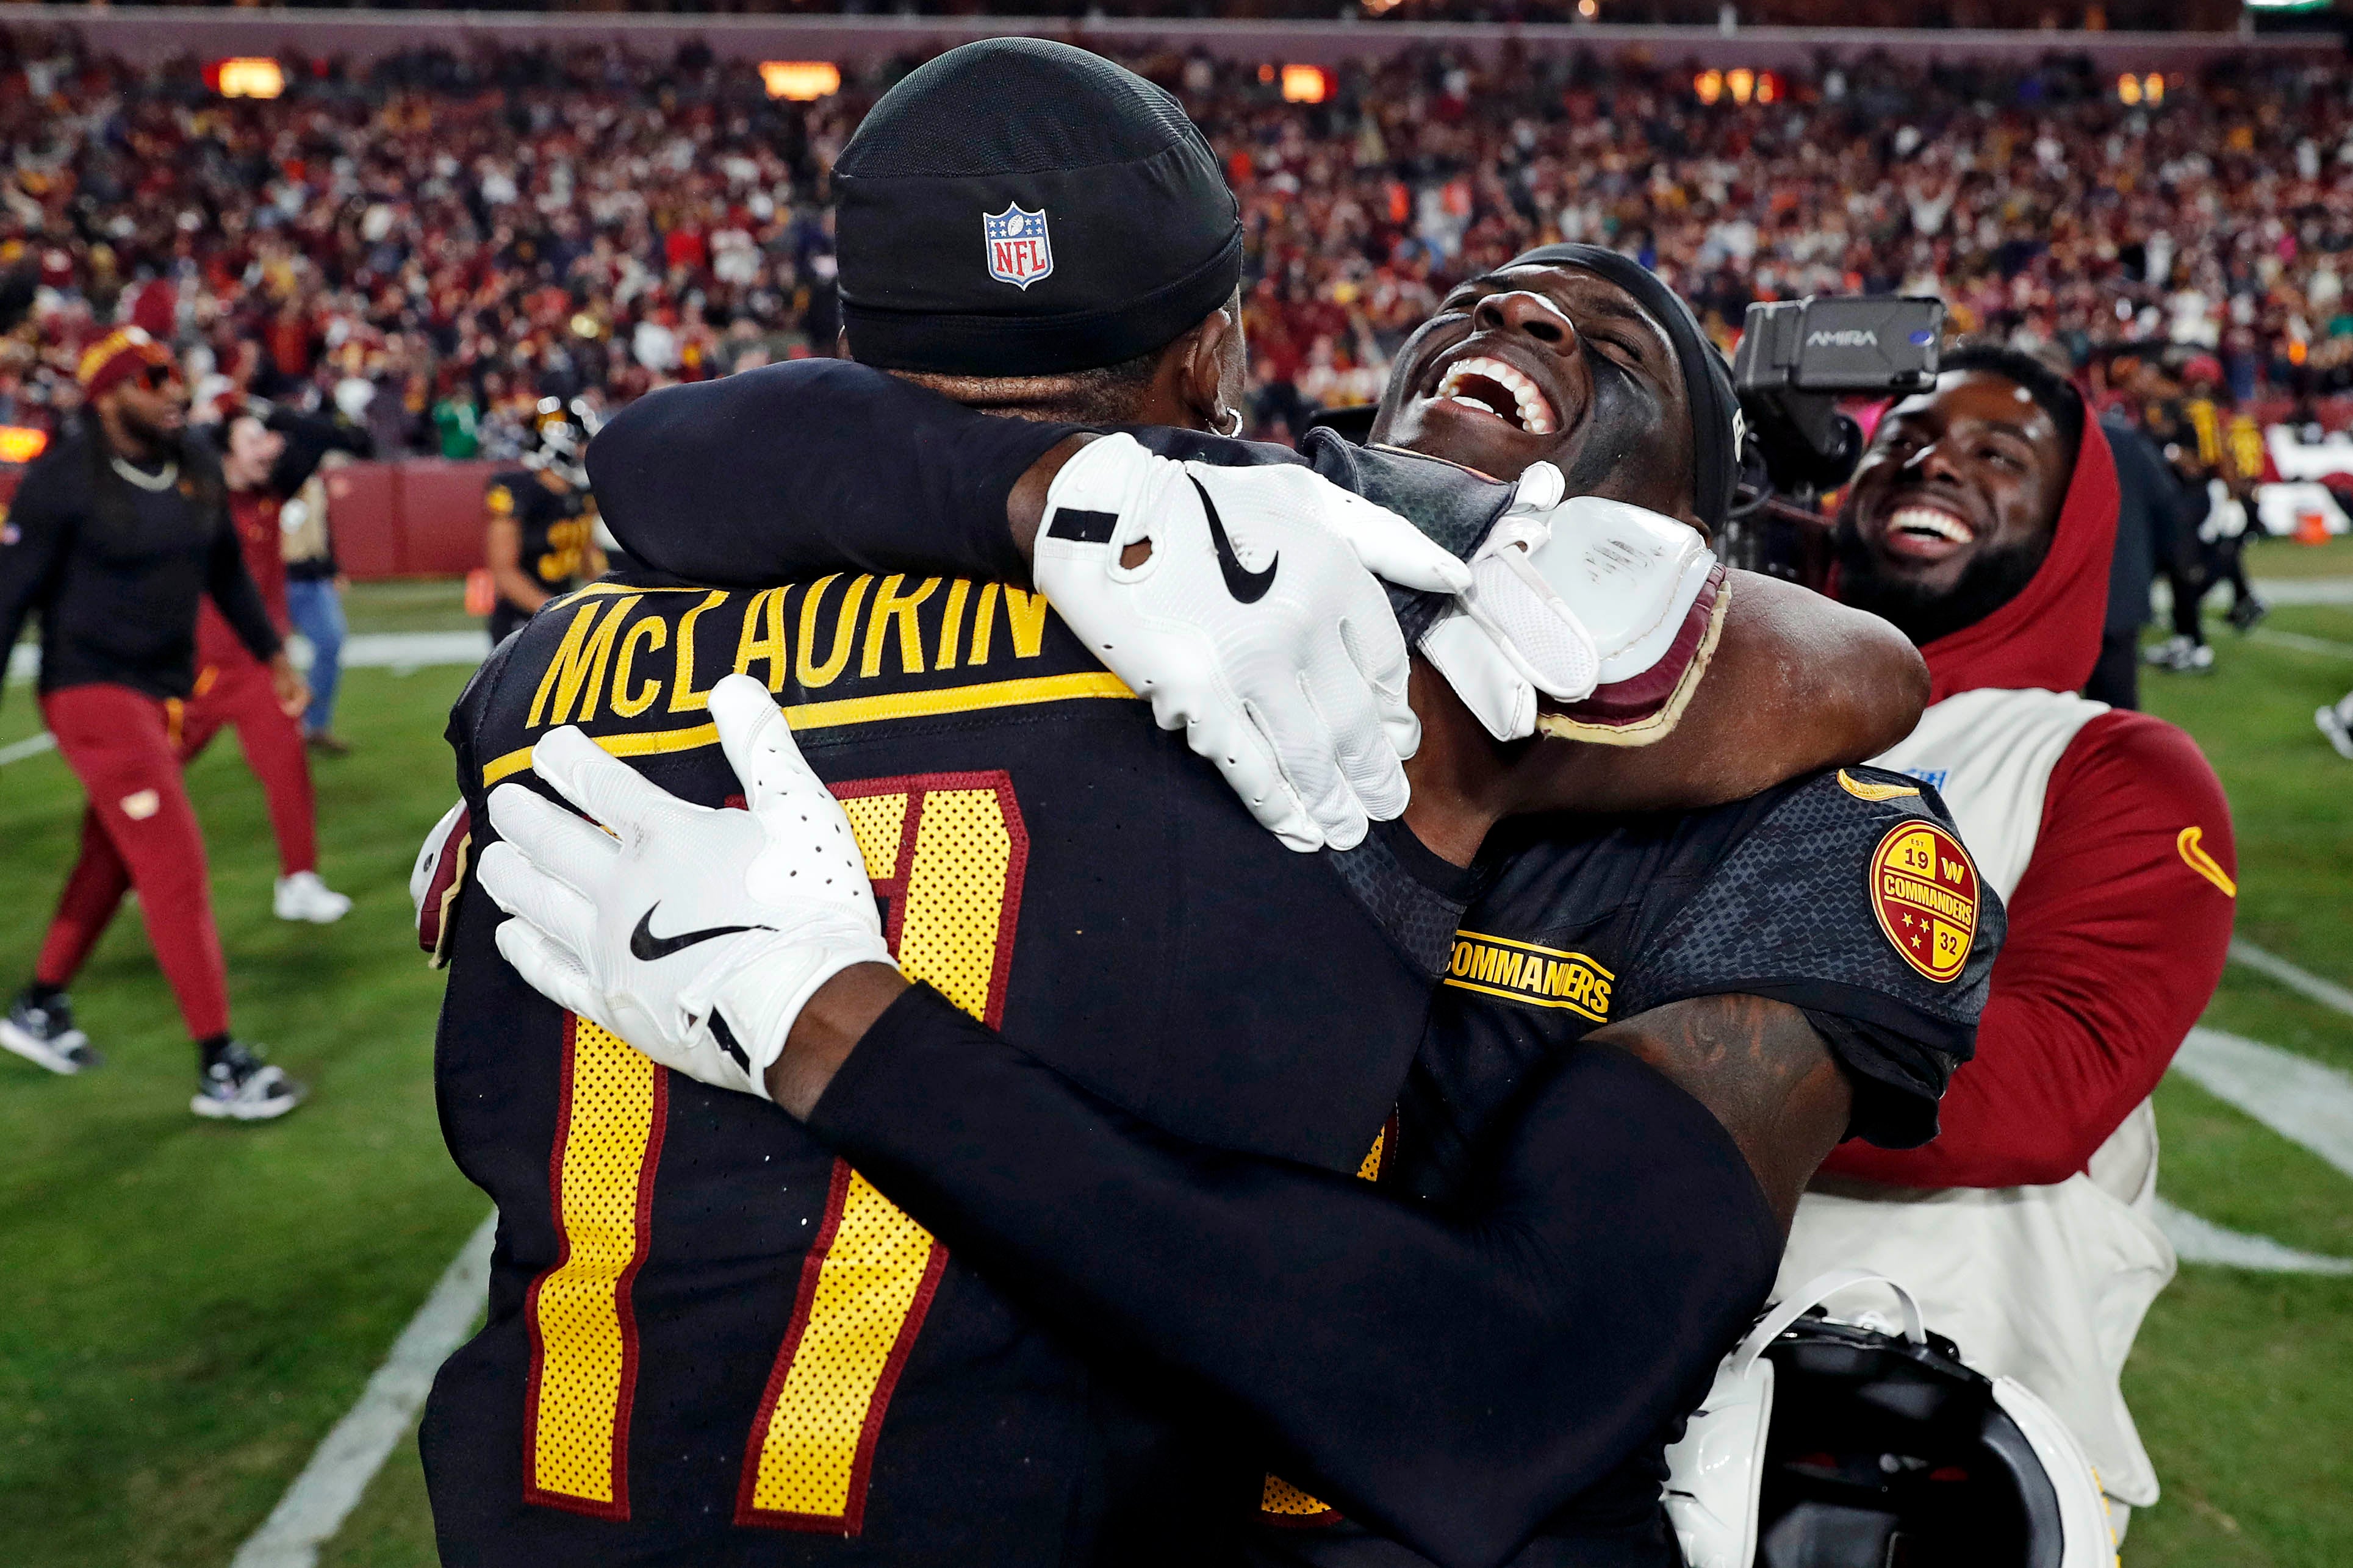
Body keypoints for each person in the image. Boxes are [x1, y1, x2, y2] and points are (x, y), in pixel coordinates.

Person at [419, 41, 1959, 1568]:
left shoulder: (558, 673)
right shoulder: (1275, 579)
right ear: (1222, 372)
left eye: (1616, 345)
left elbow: (1519, 1380)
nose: (1516, 316)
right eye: (1471, 306)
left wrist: (839, 1024)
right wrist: (1060, 493)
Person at [1801, 344, 2238, 1535]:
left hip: (1925, 1449)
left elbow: (2030, 1092)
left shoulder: (2109, 763)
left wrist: (1639, 1047)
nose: (1932, 462)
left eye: (1998, 455)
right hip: (1627, 1383)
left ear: (2067, 530)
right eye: (1903, 439)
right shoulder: (1723, 706)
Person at [0, 328, 307, 1120]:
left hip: (163, 689)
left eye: (175, 375)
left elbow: (226, 571)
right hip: (90, 690)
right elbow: (8, 601)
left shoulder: (194, 459)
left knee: (111, 855)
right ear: (109, 394)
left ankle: (40, 1002)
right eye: (154, 378)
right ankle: (220, 1065)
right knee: (173, 862)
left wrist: (272, 655)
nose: (176, 390)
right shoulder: (63, 478)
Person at [482, 398, 604, 646]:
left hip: (562, 615)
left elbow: (589, 558)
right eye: (581, 443)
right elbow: (504, 573)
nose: (585, 452)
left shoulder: (580, 496)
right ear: (558, 444)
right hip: (521, 622)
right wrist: (554, 612)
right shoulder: (521, 492)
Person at [2085, 406, 2179, 710]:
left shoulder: (2049, 438)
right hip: (2121, 589)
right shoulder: (2126, 441)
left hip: (2055, 597)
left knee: (2041, 713)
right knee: (2116, 708)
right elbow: (2166, 505)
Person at [282, 463, 352, 753]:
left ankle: (315, 725)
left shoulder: (313, 482)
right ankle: (280, 730)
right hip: (278, 578)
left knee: (330, 643)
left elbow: (323, 526)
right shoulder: (269, 481)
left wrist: (333, 567)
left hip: (314, 577)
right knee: (272, 658)